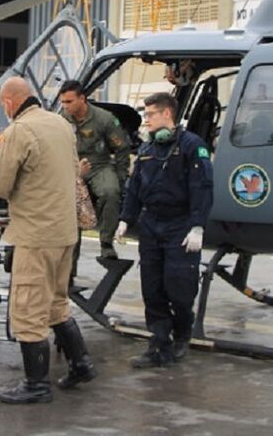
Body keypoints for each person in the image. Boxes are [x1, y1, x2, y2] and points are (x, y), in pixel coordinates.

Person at [0, 77, 96, 404]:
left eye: (3, 105)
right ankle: (81, 363)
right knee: (56, 300)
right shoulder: (60, 124)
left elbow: (1, 183)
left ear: (9, 102)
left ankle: (36, 384)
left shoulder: (19, 131)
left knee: (28, 307)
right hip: (65, 230)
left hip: (36, 233)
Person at [116, 92, 213, 368]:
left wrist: (197, 226)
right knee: (152, 288)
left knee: (179, 286)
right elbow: (134, 187)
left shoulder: (192, 146)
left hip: (180, 224)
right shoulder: (147, 149)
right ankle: (158, 344)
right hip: (151, 224)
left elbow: (202, 187)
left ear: (167, 114)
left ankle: (182, 333)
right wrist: (126, 218)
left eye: (150, 115)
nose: (146, 121)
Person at [58, 80, 131, 265]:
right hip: (71, 166)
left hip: (99, 165)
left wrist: (121, 180)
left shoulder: (104, 119)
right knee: (69, 206)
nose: (65, 106)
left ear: (82, 99)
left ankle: (106, 242)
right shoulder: (60, 120)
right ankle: (68, 265)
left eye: (69, 102)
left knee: (110, 192)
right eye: (63, 102)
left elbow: (122, 148)